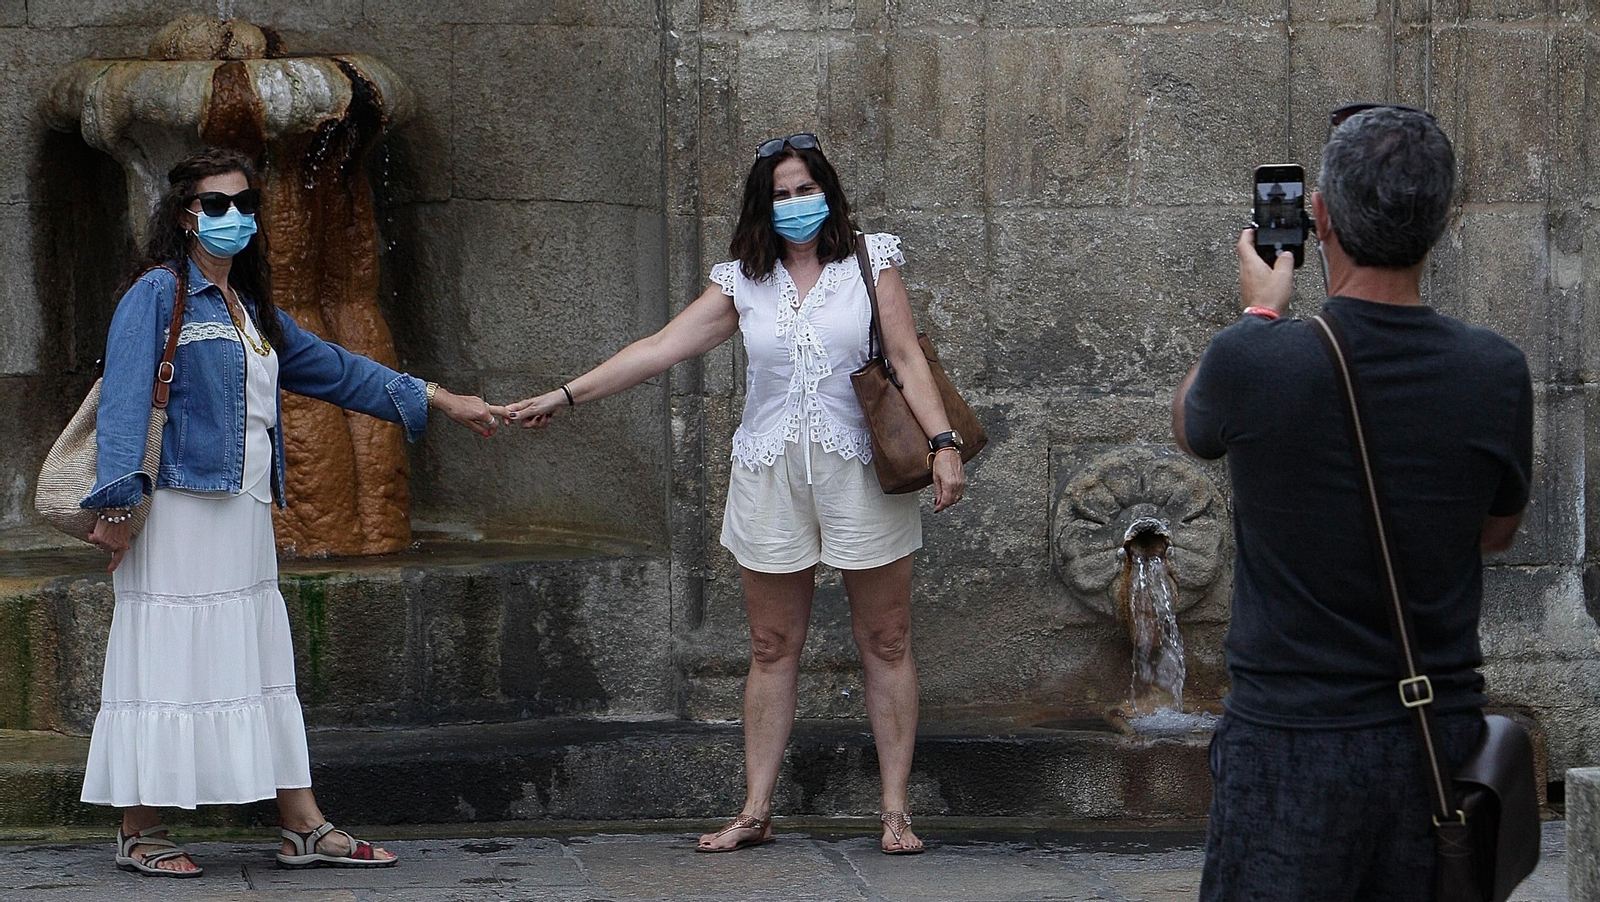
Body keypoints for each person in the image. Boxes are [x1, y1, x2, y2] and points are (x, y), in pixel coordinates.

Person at [504, 133, 968, 855]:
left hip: (861, 473)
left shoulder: (870, 260)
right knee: (770, 644)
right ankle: (755, 810)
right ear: (762, 204)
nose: (795, 204)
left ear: (829, 193)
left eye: (805, 189)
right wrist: (567, 395)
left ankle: (895, 811)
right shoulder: (743, 279)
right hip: (769, 472)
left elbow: (906, 358)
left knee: (887, 637)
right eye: (781, 194)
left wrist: (944, 446)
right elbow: (660, 348)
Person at [78, 147, 502, 877]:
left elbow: (337, 369)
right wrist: (118, 505)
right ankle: (138, 831)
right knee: (170, 660)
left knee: (256, 661)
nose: (233, 218)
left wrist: (437, 398)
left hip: (240, 511)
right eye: (216, 205)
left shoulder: (250, 305)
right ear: (184, 215)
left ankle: (302, 825)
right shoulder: (157, 293)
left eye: (244, 204)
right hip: (178, 508)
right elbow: (122, 402)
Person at [1173, 105, 1534, 900]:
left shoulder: (1255, 358)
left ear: (1322, 218)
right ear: (1441, 219)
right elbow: (1496, 533)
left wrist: (1260, 309)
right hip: (1435, 736)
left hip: (1288, 745)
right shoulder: (1495, 371)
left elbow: (1192, 427)